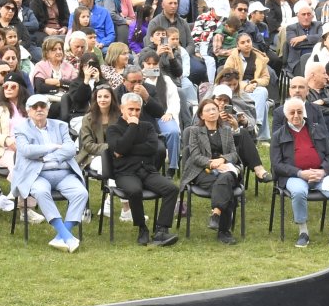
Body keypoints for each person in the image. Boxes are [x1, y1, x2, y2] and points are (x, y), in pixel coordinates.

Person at [182, 95, 266, 243]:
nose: (212, 112)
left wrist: (222, 160)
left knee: (226, 177)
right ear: (202, 115)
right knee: (226, 184)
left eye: (214, 109)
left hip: (226, 168)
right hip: (203, 171)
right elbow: (194, 156)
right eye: (208, 110)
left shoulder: (226, 130)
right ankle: (224, 231)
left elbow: (234, 154)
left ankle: (216, 213)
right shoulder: (194, 131)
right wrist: (212, 163)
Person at [271, 95, 329, 249]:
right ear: (286, 115)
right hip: (294, 176)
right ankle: (303, 232)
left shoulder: (317, 129)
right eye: (292, 112)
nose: (296, 116)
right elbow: (277, 164)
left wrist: (323, 171)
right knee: (299, 192)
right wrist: (300, 173)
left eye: (299, 112)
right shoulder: (278, 135)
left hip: (319, 173)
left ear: (304, 112)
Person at [10, 94, 85, 251]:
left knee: (81, 193)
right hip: (37, 175)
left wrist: (51, 158)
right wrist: (52, 146)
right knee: (41, 191)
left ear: (48, 109)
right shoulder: (21, 129)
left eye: (42, 106)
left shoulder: (60, 126)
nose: (39, 109)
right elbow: (26, 150)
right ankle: (66, 236)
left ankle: (61, 236)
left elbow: (71, 149)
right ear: (28, 111)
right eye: (35, 107)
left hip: (63, 172)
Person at [105, 89, 179, 246]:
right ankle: (142, 228)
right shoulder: (113, 129)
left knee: (171, 189)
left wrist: (126, 150)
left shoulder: (148, 127)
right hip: (125, 173)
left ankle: (161, 230)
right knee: (134, 191)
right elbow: (118, 149)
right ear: (122, 108)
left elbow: (152, 148)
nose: (134, 112)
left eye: (137, 110)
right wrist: (132, 127)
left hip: (147, 170)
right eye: (130, 109)